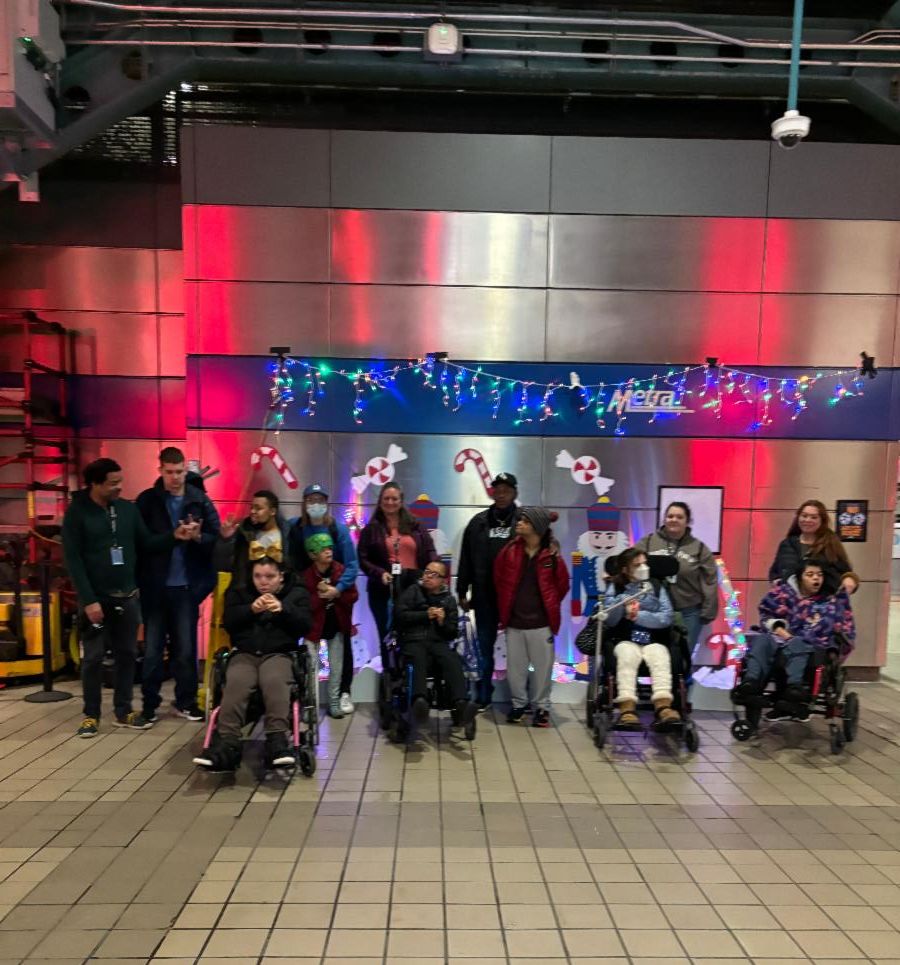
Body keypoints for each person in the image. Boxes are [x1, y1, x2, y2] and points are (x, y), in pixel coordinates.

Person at [62, 458, 197, 738]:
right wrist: (88, 600)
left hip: (127, 596)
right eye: (113, 483)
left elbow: (146, 543)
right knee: (93, 657)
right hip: (96, 599)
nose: (119, 487)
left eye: (120, 481)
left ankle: (123, 711)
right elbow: (73, 559)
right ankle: (91, 714)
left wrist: (175, 536)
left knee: (126, 654)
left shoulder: (126, 510)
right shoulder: (77, 513)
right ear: (96, 483)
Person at [194, 557, 311, 772]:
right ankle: (227, 745)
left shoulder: (296, 593)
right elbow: (229, 622)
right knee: (236, 684)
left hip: (279, 652)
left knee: (274, 681)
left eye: (269, 577)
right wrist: (250, 610)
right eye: (258, 576)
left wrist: (283, 609)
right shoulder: (240, 592)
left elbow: (305, 625)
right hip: (245, 653)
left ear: (281, 577)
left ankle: (277, 741)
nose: (263, 582)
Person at [136, 446, 221, 724]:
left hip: (187, 586)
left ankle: (185, 701)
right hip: (156, 587)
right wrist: (173, 537)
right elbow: (142, 542)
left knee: (185, 650)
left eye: (180, 472)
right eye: (170, 472)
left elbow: (215, 538)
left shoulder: (199, 500)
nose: (175, 477)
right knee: (152, 650)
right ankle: (149, 705)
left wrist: (197, 538)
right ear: (160, 470)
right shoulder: (148, 501)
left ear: (186, 470)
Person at [734, 558, 856, 722]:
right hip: (780, 644)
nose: (816, 578)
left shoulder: (830, 602)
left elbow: (842, 630)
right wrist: (781, 631)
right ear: (800, 577)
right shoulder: (784, 593)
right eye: (810, 574)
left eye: (819, 575)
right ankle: (750, 684)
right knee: (761, 640)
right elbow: (767, 614)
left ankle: (794, 690)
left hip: (811, 650)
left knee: (798, 644)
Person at [494, 507, 570, 728]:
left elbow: (562, 585)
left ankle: (542, 708)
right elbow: (499, 579)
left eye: (525, 521)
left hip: (541, 624)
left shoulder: (552, 555)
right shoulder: (509, 551)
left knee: (543, 670)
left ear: (537, 527)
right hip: (515, 622)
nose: (519, 523)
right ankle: (518, 706)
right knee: (515, 669)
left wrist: (549, 606)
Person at [288, 483, 359, 715]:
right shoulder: (294, 528)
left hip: (337, 610)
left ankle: (338, 697)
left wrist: (337, 590)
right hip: (306, 607)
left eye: (320, 500)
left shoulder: (338, 530)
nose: (316, 505)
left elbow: (351, 566)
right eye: (311, 500)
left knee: (339, 656)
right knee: (308, 660)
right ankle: (307, 702)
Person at [357, 482, 437, 668]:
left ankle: (413, 677)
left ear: (401, 501)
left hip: (413, 588)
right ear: (380, 501)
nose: (390, 502)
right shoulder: (371, 529)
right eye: (386, 498)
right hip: (383, 590)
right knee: (386, 635)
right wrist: (379, 573)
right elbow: (363, 559)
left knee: (413, 634)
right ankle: (390, 679)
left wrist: (431, 574)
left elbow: (430, 552)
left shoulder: (416, 527)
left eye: (394, 499)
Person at [457, 472, 519, 710]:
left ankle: (519, 698)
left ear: (514, 493)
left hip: (516, 600)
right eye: (498, 490)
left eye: (507, 490)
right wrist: (462, 591)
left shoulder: (523, 522)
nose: (501, 494)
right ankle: (484, 692)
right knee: (484, 648)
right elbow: (465, 560)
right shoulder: (478, 522)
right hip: (484, 597)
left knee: (517, 651)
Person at [395, 560, 477, 733]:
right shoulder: (412, 591)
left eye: (434, 574)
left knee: (451, 659)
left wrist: (442, 622)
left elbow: (452, 632)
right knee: (418, 658)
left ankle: (461, 704)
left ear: (443, 581)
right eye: (426, 572)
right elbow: (400, 616)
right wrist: (425, 615)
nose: (428, 576)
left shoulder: (449, 600)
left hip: (438, 642)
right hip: (414, 640)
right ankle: (420, 702)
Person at [603, 547, 678, 726]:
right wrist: (621, 604)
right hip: (625, 639)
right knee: (627, 657)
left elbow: (666, 617)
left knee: (660, 656)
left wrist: (639, 616)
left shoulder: (657, 586)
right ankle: (627, 708)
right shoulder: (616, 587)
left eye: (644, 563)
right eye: (637, 565)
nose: (643, 568)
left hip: (654, 639)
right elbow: (610, 620)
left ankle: (663, 706)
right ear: (625, 569)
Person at [635, 501, 717, 650]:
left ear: (688, 521)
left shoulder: (699, 548)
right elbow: (629, 564)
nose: (674, 520)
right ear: (664, 519)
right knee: (653, 657)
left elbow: (710, 580)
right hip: (653, 611)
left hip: (688, 612)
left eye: (679, 517)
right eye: (670, 516)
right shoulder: (647, 542)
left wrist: (708, 611)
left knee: (682, 659)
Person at [300, 533, 358, 718]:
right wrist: (320, 596)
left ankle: (334, 702)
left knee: (337, 666)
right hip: (313, 628)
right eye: (322, 549)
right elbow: (302, 603)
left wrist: (336, 593)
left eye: (330, 548)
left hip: (337, 626)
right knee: (310, 667)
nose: (328, 551)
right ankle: (310, 706)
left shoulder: (340, 570)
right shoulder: (307, 576)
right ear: (312, 554)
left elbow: (353, 595)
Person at [768, 499, 859, 595]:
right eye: (804, 516)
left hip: (823, 605)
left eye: (814, 517)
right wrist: (777, 582)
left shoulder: (830, 544)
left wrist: (849, 580)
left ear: (822, 521)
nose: (807, 520)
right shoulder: (787, 544)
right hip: (791, 604)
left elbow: (846, 572)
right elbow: (775, 572)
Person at [214, 490, 293, 589]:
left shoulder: (288, 534)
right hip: (245, 594)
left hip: (278, 595)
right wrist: (226, 539)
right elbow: (223, 565)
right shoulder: (243, 532)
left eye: (258, 508)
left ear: (272, 511)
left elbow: (293, 569)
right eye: (252, 508)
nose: (252, 512)